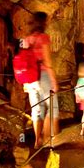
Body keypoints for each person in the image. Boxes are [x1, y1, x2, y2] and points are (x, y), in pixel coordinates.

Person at [24, 12, 59, 148]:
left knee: (36, 109)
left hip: (31, 78)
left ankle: (37, 140)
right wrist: (54, 81)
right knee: (52, 107)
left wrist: (26, 83)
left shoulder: (27, 39)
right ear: (43, 23)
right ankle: (48, 139)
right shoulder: (43, 38)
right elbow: (47, 61)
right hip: (43, 75)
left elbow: (26, 61)